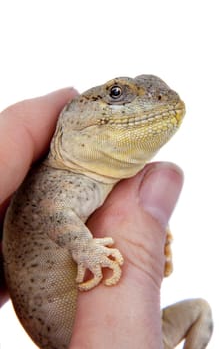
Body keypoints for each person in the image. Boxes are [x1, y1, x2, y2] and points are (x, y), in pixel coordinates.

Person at [0, 88, 183, 348]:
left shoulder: (101, 181)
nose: (159, 101)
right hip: (59, 321)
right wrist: (85, 249)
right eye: (117, 94)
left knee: (199, 311)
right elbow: (55, 213)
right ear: (72, 115)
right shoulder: (62, 178)